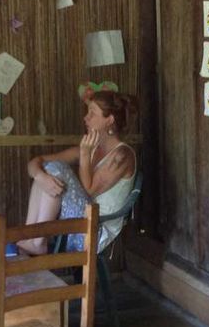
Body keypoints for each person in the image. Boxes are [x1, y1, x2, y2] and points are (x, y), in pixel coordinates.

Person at [19, 90, 137, 255]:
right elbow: (36, 162)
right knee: (47, 169)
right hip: (79, 224)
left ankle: (37, 241)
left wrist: (84, 155)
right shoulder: (91, 149)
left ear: (109, 120)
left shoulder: (122, 156)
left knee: (57, 168)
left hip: (94, 232)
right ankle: (30, 236)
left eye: (92, 113)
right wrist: (40, 176)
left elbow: (89, 190)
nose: (85, 118)